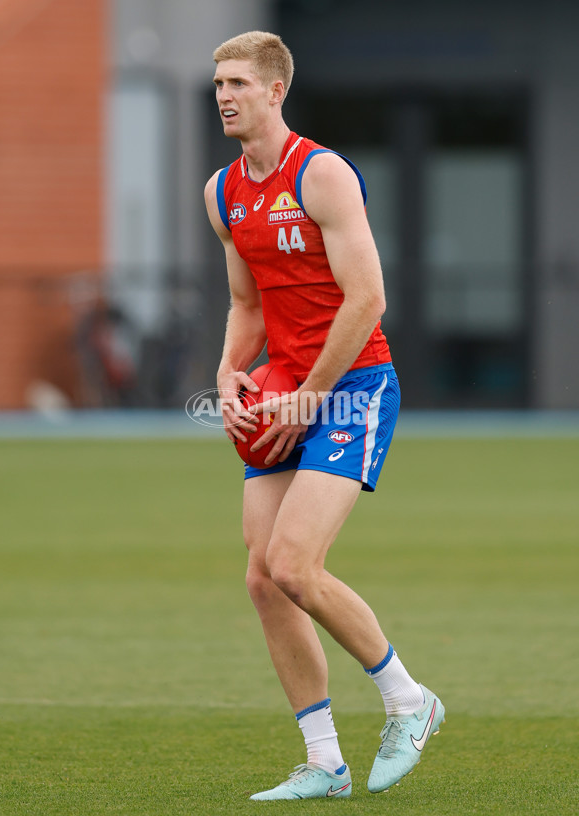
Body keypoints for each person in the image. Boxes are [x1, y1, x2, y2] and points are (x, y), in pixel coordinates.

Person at [204, 30, 444, 801]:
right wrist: (228, 372)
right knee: (262, 579)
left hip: (353, 387)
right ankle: (325, 762)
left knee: (294, 565)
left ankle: (410, 701)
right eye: (218, 84)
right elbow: (246, 304)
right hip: (284, 388)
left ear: (276, 91)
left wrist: (310, 391)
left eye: (239, 83)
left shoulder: (323, 174)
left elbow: (368, 299)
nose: (224, 96)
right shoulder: (222, 191)